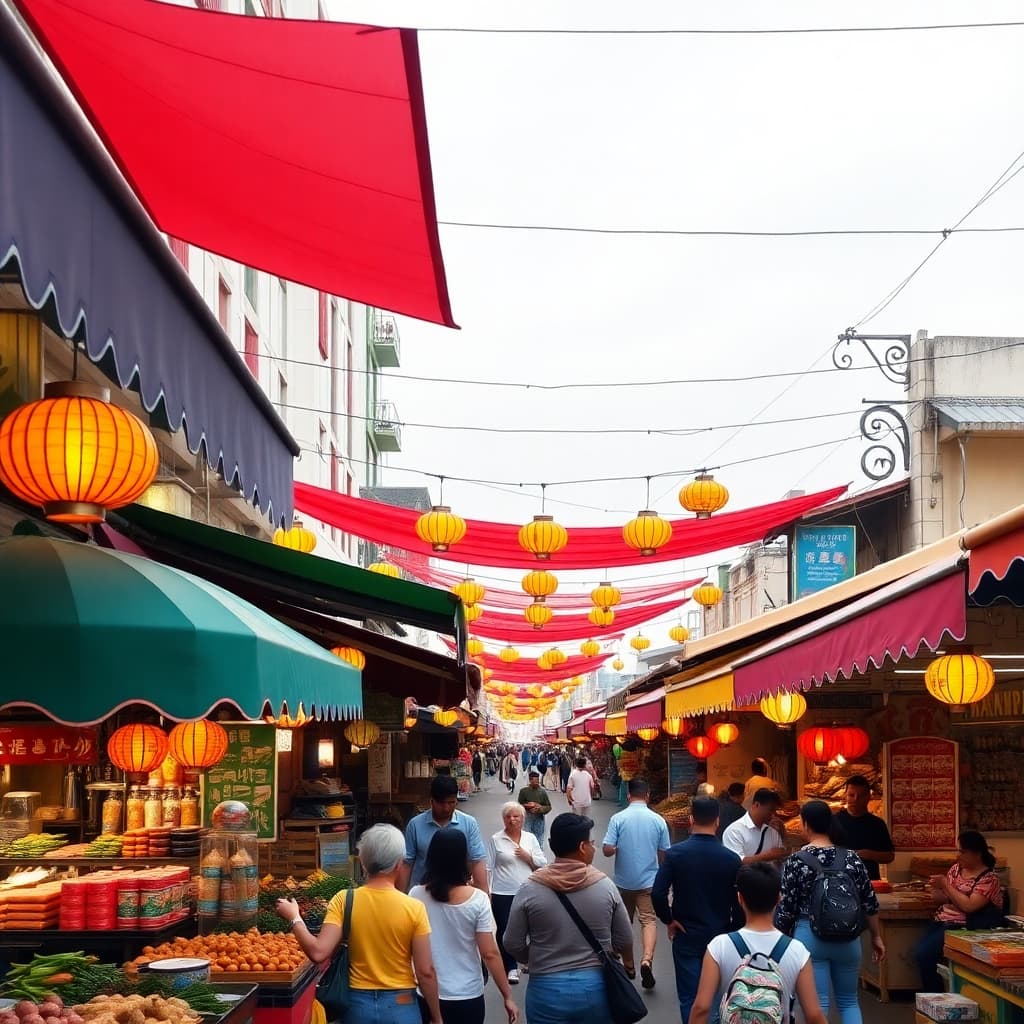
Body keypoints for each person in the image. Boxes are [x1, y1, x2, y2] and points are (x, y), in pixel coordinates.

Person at [275, 823, 442, 1024]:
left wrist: (295, 918)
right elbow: (425, 972)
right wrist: (437, 1017)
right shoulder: (414, 908)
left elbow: (318, 952)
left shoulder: (344, 900)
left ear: (362, 861)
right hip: (401, 1004)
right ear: (399, 864)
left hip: (357, 1006)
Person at [503, 813, 634, 1024]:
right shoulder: (605, 886)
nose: (594, 848)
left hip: (546, 989)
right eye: (591, 843)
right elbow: (624, 939)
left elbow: (512, 942)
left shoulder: (530, 888)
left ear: (551, 844)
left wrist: (537, 956)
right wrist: (610, 953)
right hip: (596, 987)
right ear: (582, 847)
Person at [775, 800, 884, 1024]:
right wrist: (876, 936)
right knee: (849, 1001)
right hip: (849, 939)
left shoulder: (796, 861)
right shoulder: (852, 858)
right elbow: (870, 902)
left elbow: (787, 907)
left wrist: (779, 940)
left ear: (805, 825)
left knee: (819, 1002)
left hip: (810, 937)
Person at [689, 863, 827, 1024]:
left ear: (740, 898)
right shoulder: (797, 951)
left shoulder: (719, 946)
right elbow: (814, 1015)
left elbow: (701, 1008)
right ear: (779, 898)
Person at [410, 830, 519, 1024]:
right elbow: (490, 954)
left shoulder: (416, 895)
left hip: (426, 993)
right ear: (463, 859)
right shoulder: (478, 899)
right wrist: (507, 996)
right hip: (467, 994)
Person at [652, 795, 741, 1023]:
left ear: (691, 819)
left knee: (689, 996)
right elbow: (739, 901)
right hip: (720, 935)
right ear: (717, 821)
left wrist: (668, 919)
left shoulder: (675, 854)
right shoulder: (731, 859)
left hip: (687, 933)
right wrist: (733, 929)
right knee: (717, 996)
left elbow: (658, 893)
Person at [602, 777, 671, 989]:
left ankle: (629, 964)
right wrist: (664, 880)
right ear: (648, 796)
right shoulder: (658, 820)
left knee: (623, 924)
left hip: (623, 882)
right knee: (648, 920)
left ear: (629, 795)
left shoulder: (618, 819)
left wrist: (616, 848)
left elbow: (606, 850)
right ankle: (647, 960)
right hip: (649, 881)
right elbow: (664, 854)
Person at [914, 830, 1003, 992]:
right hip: (941, 920)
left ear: (977, 854)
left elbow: (969, 906)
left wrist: (945, 885)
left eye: (962, 851)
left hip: (962, 926)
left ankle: (935, 997)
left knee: (924, 954)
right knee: (922, 955)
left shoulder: (989, 879)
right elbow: (950, 897)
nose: (958, 855)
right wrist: (936, 894)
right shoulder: (956, 869)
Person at [487, 802, 547, 985]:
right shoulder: (496, 839)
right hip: (502, 892)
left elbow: (543, 862)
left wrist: (528, 857)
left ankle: (529, 960)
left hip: (528, 890)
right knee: (505, 929)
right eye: (508, 816)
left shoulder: (530, 838)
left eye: (516, 816)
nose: (512, 820)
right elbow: (488, 867)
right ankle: (511, 966)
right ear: (503, 819)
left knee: (532, 928)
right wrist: (487, 892)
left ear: (523, 819)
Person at [401, 775, 489, 892]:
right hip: (422, 895)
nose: (446, 808)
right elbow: (407, 863)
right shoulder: (415, 825)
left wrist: (484, 893)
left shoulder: (469, 823)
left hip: (457, 896)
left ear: (456, 801)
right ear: (431, 801)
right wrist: (400, 896)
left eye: (451, 802)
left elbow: (477, 860)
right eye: (441, 803)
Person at [834, 775, 895, 881]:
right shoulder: (833, 822)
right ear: (845, 796)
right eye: (851, 795)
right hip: (839, 881)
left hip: (869, 882)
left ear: (868, 797)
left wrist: (870, 854)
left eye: (860, 796)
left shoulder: (877, 824)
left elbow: (889, 856)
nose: (855, 800)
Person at [722, 788, 787, 864]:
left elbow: (780, 859)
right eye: (771, 810)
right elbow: (735, 862)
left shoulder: (773, 831)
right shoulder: (735, 831)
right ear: (757, 805)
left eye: (775, 811)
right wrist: (766, 856)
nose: (773, 815)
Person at [517, 768, 552, 847]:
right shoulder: (524, 791)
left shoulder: (542, 792)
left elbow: (548, 806)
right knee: (526, 836)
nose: (537, 783)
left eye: (538, 780)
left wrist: (539, 808)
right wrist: (527, 806)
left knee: (539, 838)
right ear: (530, 780)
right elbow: (519, 805)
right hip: (527, 817)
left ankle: (538, 853)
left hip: (539, 818)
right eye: (535, 781)